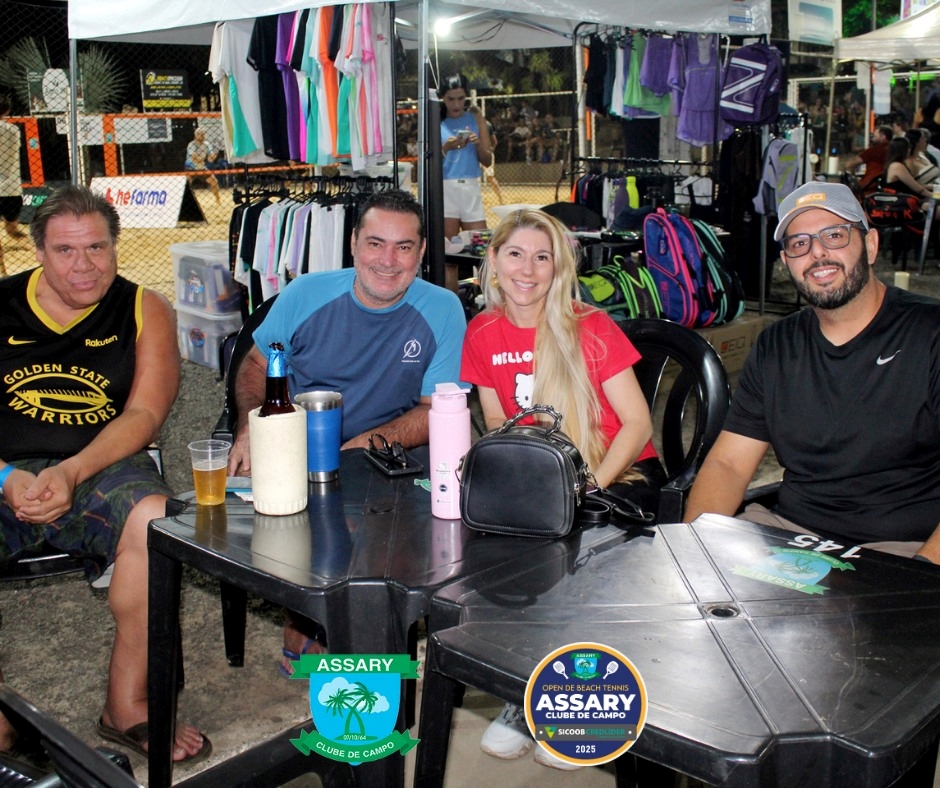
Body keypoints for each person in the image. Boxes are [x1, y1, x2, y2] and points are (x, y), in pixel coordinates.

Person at [0, 185, 210, 763]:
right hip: (4, 469)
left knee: (155, 518)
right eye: (65, 250)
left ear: (116, 246)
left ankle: (127, 705)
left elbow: (144, 414)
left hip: (101, 463)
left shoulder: (145, 308)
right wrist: (6, 477)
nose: (84, 265)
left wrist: (72, 471)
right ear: (38, 251)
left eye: (97, 247)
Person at [227, 189, 466, 675]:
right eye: (375, 243)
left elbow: (435, 411)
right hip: (296, 439)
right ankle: (307, 612)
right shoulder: (306, 294)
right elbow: (254, 365)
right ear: (354, 243)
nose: (388, 260)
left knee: (430, 512)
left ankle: (379, 627)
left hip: (387, 453)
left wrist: (358, 448)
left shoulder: (442, 308)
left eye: (403, 247)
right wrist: (253, 426)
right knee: (280, 512)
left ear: (422, 251)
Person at [461, 208, 666, 770]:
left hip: (616, 472)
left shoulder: (590, 326)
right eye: (515, 254)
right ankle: (525, 687)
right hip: (541, 473)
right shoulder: (481, 332)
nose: (527, 270)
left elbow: (637, 425)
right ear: (494, 261)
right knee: (491, 545)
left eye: (542, 257)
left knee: (581, 554)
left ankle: (584, 702)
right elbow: (499, 425)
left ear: (558, 268)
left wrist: (587, 486)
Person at [685, 181, 940, 565]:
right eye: (799, 243)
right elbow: (729, 464)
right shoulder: (776, 345)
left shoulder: (929, 332)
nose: (817, 253)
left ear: (870, 246)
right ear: (786, 262)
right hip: (792, 535)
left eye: (834, 235)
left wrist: (920, 576)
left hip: (902, 549)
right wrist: (691, 549)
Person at [440, 74, 492, 292]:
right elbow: (427, 161)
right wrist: (446, 148)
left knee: (483, 253)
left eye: (460, 98)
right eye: (451, 99)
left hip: (470, 187)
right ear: (443, 98)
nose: (456, 104)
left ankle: (487, 302)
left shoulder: (475, 118)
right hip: (446, 189)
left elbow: (487, 160)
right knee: (449, 257)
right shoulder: (436, 120)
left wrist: (478, 144)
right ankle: (452, 304)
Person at [0, 94, 25, 276]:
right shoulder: (14, 130)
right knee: (13, 232)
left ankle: (3, 272)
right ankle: (41, 254)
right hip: (12, 187)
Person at [842, 124, 893, 194]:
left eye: (875, 136)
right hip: (889, 190)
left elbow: (849, 165)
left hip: (870, 188)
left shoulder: (874, 151)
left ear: (883, 137)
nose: (872, 138)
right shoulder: (895, 150)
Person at [184, 127, 221, 204]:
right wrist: (202, 159)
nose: (202, 136)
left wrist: (214, 155)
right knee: (186, 186)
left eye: (203, 134)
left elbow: (210, 159)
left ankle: (218, 200)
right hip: (190, 168)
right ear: (196, 135)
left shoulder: (206, 144)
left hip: (201, 168)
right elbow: (194, 158)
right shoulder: (192, 144)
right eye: (200, 134)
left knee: (214, 182)